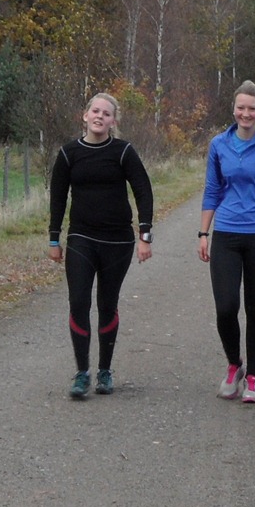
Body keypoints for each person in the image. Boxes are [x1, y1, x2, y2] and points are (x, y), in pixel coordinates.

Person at [48, 92, 154, 399]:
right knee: (79, 302)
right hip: (81, 239)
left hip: (117, 242)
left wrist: (145, 235)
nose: (100, 116)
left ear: (113, 121)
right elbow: (57, 198)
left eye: (106, 114)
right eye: (95, 111)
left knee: (107, 304)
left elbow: (143, 191)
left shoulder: (123, 152)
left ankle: (105, 371)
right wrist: (54, 239)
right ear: (85, 115)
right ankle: (82, 373)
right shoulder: (68, 153)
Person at [198, 80, 255, 404]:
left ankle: (253, 378)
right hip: (226, 234)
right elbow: (212, 190)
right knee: (226, 307)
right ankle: (234, 364)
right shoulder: (219, 144)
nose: (246, 113)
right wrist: (204, 233)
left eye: (252, 108)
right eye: (241, 107)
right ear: (234, 109)